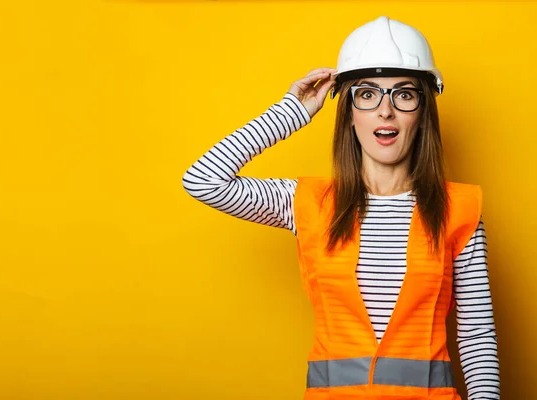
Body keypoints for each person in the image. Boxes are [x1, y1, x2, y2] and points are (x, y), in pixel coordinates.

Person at [182, 16, 499, 400]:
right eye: (367, 94)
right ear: (348, 113)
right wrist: (291, 113)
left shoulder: (459, 209)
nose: (386, 111)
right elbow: (203, 180)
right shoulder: (306, 203)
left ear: (423, 112)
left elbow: (477, 335)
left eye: (404, 94)